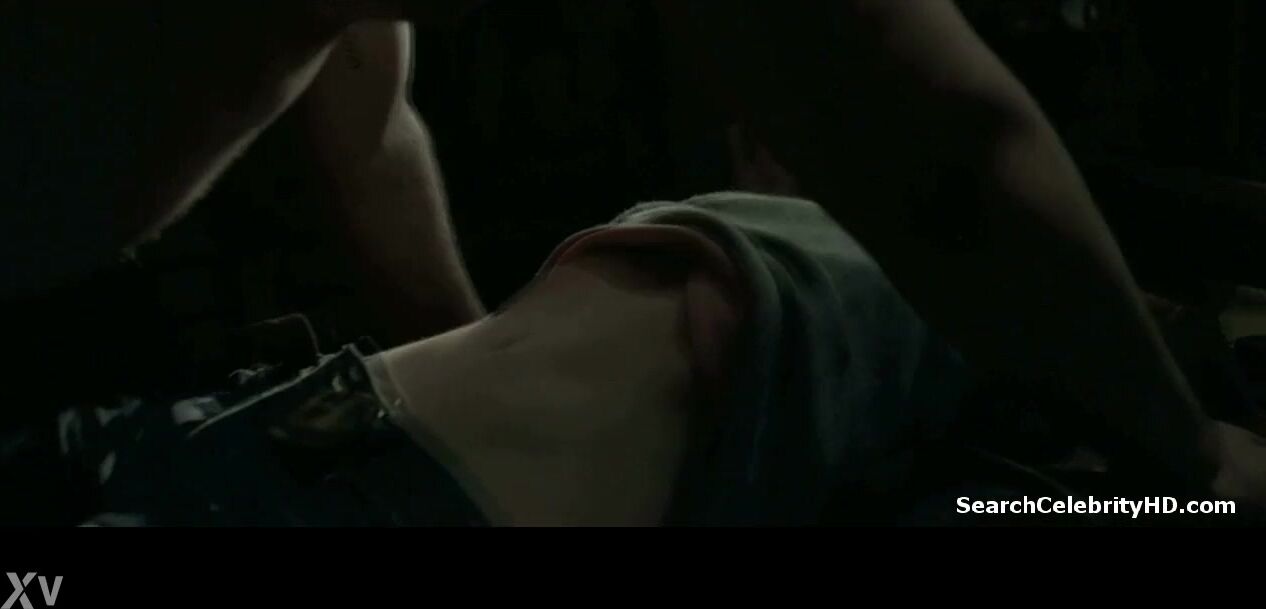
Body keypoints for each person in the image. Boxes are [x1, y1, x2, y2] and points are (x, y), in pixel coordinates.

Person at [2, 1, 1264, 523]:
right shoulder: (830, 267)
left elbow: (363, 111)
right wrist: (1196, 465)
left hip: (199, 439)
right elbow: (937, 155)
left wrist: (464, 358)